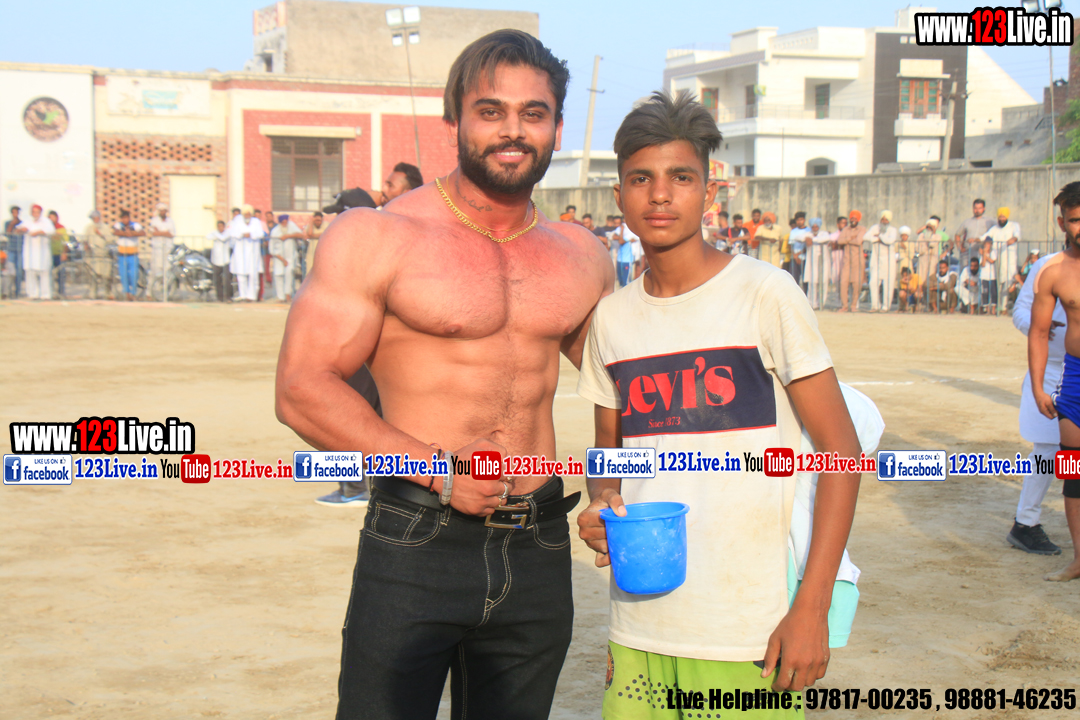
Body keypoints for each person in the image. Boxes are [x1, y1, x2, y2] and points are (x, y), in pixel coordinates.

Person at [275, 29, 613, 719]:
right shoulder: (378, 235)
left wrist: (611, 486)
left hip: (540, 540)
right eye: (491, 111)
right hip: (418, 538)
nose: (513, 130)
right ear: (453, 120)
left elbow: (629, 390)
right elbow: (302, 389)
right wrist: (438, 472)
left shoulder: (582, 254)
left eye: (534, 113)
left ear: (556, 128)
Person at [575, 91, 861, 714]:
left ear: (709, 192)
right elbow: (608, 460)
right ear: (619, 195)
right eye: (641, 179)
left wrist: (810, 609)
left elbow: (843, 452)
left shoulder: (765, 294)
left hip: (750, 630)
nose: (660, 195)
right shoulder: (611, 320)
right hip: (639, 625)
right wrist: (601, 505)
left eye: (681, 177)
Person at [1028, 181, 1080, 582]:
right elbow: (1039, 332)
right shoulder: (1053, 272)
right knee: (1073, 471)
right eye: (1075, 219)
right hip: (1075, 381)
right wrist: (1037, 388)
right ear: (1062, 222)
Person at [1011, 249, 1065, 555]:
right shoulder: (1047, 265)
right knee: (1047, 449)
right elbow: (1020, 310)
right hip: (1051, 370)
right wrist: (1037, 325)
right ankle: (1025, 522)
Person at [983, 206, 1021, 313]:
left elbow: (1017, 235)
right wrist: (977, 239)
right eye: (1000, 217)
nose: (1002, 219)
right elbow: (986, 236)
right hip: (998, 260)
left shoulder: (1014, 225)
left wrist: (1013, 239)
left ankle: (1008, 307)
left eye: (1003, 217)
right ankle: (1001, 308)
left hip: (1010, 259)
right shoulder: (995, 229)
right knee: (999, 284)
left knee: (1010, 282)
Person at [16, 205, 54, 300]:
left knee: (44, 273)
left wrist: (38, 232)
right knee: (30, 273)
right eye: (33, 212)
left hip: (42, 252)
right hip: (30, 252)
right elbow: (18, 229)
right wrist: (21, 230)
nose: (35, 214)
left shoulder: (46, 221)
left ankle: (45, 295)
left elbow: (51, 231)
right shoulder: (27, 221)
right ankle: (32, 294)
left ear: (40, 213)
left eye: (37, 212)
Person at [228, 205, 264, 302]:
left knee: (253, 275)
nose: (247, 216)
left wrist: (251, 235)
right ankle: (243, 295)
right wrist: (242, 234)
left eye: (249, 214)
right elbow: (232, 233)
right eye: (245, 214)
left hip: (252, 252)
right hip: (240, 252)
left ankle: (251, 296)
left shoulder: (256, 221)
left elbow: (260, 234)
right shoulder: (237, 220)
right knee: (241, 274)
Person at [865, 210, 898, 312]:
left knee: (888, 284)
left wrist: (879, 237)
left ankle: (886, 306)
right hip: (876, 259)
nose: (884, 221)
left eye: (886, 219)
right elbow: (866, 237)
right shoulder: (875, 228)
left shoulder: (892, 230)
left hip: (888, 260)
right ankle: (875, 305)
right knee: (873, 282)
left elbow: (890, 240)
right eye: (882, 219)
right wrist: (879, 238)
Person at [836, 210, 866, 312]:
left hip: (857, 260)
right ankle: (844, 305)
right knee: (843, 283)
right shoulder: (845, 229)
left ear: (858, 219)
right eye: (852, 218)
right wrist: (850, 237)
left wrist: (847, 240)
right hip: (847, 260)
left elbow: (858, 241)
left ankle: (853, 305)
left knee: (856, 284)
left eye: (855, 218)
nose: (853, 220)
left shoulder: (862, 229)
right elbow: (840, 241)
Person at [112, 209, 144, 301]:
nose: (124, 220)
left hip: (133, 254)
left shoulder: (135, 225)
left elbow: (142, 233)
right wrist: (126, 233)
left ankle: (133, 292)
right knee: (124, 274)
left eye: (126, 218)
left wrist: (132, 233)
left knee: (133, 274)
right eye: (123, 218)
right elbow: (116, 232)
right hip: (122, 254)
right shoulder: (119, 225)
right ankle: (127, 293)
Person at [269, 214, 302, 302]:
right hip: (279, 258)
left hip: (290, 257)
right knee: (278, 276)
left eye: (286, 222)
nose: (285, 224)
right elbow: (271, 249)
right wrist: (282, 259)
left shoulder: (291, 226)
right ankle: (281, 297)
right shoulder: (275, 231)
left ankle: (288, 294)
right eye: (283, 222)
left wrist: (288, 236)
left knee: (289, 275)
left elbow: (300, 234)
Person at [149, 203, 176, 296]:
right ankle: (150, 292)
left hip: (167, 248)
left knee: (167, 269)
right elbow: (153, 233)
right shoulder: (154, 221)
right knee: (155, 270)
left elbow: (171, 234)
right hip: (157, 249)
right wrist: (165, 233)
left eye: (164, 210)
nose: (162, 212)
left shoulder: (170, 221)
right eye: (161, 211)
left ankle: (164, 293)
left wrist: (160, 232)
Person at [914, 217, 947, 289]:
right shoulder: (921, 236)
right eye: (928, 227)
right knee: (920, 279)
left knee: (930, 279)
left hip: (932, 261)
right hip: (922, 260)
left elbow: (932, 244)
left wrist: (933, 234)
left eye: (931, 227)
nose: (929, 229)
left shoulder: (937, 236)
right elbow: (917, 249)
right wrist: (924, 249)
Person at [805, 217, 829, 309]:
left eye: (816, 227)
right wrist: (808, 238)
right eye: (813, 227)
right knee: (813, 282)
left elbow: (826, 238)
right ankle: (812, 303)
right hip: (812, 263)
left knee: (824, 282)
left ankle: (821, 303)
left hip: (823, 262)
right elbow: (798, 237)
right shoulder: (808, 234)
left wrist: (813, 240)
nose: (815, 228)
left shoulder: (824, 233)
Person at [83, 210, 112, 283]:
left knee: (105, 271)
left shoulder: (105, 227)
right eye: (93, 218)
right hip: (92, 252)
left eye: (96, 218)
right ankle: (94, 285)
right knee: (92, 270)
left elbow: (110, 239)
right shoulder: (89, 228)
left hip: (102, 252)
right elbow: (85, 239)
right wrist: (86, 245)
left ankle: (105, 285)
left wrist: (100, 234)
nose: (95, 220)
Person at [208, 219, 233, 302]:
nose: (220, 228)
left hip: (226, 260)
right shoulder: (214, 232)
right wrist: (215, 234)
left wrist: (216, 235)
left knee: (227, 279)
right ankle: (220, 297)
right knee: (217, 280)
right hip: (216, 259)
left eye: (221, 226)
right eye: (218, 226)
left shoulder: (227, 232)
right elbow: (208, 236)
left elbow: (223, 238)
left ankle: (228, 296)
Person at [612, 215, 639, 287]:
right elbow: (614, 237)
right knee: (620, 282)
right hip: (619, 259)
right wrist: (624, 237)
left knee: (626, 283)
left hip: (627, 260)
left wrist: (622, 232)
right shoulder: (620, 228)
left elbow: (621, 241)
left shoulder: (631, 230)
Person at [787, 211, 812, 286]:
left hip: (805, 258)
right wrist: (795, 256)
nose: (799, 222)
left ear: (804, 220)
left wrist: (799, 254)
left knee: (806, 280)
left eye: (801, 220)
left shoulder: (809, 231)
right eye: (798, 220)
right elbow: (790, 245)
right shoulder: (793, 231)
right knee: (794, 279)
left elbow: (808, 245)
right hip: (794, 259)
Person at [48, 210, 68, 298]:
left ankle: (61, 292)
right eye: (50, 217)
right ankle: (50, 292)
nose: (51, 219)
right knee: (49, 275)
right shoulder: (47, 228)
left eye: (53, 217)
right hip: (49, 254)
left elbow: (65, 242)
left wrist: (64, 253)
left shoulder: (61, 228)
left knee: (61, 274)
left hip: (59, 254)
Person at [302, 211, 325, 280]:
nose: (318, 222)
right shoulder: (310, 226)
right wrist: (311, 222)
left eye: (319, 220)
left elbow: (323, 234)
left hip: (322, 253)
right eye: (316, 220)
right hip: (311, 253)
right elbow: (309, 234)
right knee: (309, 272)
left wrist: (313, 236)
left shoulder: (326, 225)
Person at [979, 237, 998, 314]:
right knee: (985, 292)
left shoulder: (993, 252)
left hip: (992, 275)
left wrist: (985, 254)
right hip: (984, 275)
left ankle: (993, 309)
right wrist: (984, 254)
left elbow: (992, 261)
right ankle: (987, 309)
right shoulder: (981, 254)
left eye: (989, 244)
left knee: (993, 292)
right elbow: (983, 264)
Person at [829, 216, 846, 287]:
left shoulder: (848, 234)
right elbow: (832, 246)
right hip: (836, 260)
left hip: (846, 260)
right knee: (836, 279)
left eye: (846, 223)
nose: (845, 225)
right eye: (843, 223)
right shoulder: (833, 235)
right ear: (838, 224)